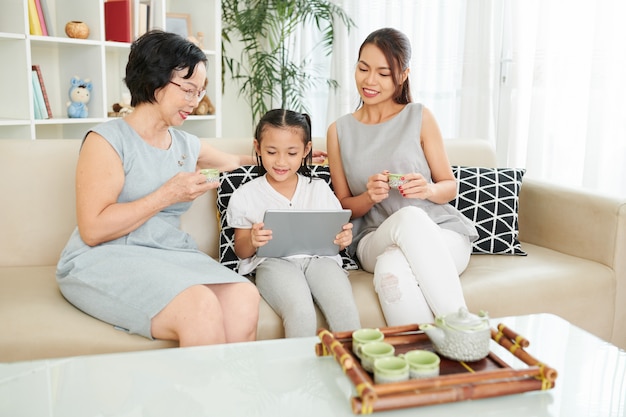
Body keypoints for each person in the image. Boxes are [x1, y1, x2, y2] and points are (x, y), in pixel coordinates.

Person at [56, 30, 261, 347]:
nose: (195, 102)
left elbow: (232, 162)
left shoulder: (185, 145)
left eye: (200, 92)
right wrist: (168, 194)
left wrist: (290, 158)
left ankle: (230, 394)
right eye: (188, 90)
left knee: (244, 296)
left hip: (167, 254)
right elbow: (93, 229)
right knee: (199, 304)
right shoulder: (107, 141)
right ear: (155, 80)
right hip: (105, 256)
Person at [326, 28, 479, 326]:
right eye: (363, 68)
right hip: (374, 238)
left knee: (390, 272)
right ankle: (462, 329)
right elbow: (343, 205)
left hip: (441, 234)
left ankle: (422, 362)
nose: (370, 81)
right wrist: (368, 197)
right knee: (406, 220)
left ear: (403, 74)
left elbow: (449, 187)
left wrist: (428, 190)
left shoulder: (419, 117)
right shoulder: (339, 131)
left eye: (384, 73)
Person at [226, 109, 362, 337]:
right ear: (257, 148)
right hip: (274, 263)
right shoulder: (245, 195)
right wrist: (252, 240)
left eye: (291, 153)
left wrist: (342, 240)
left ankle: (352, 368)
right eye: (271, 152)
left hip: (321, 261)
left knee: (345, 309)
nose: (281, 162)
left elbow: (337, 243)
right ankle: (300, 371)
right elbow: (241, 251)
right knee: (301, 312)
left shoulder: (318, 189)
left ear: (306, 150)